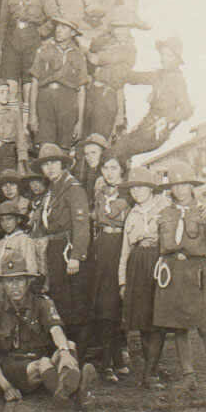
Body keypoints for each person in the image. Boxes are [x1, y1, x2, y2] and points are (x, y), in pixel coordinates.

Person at [0, 255, 94, 409]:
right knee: (43, 364)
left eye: (19, 280)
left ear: (28, 282)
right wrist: (6, 387)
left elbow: (55, 328)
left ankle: (64, 393)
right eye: (9, 281)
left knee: (68, 345)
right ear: (2, 284)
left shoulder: (42, 303)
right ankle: (78, 390)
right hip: (15, 367)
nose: (15, 286)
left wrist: (65, 351)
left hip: (44, 363)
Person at [153, 164, 206, 396]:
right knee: (179, 328)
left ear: (191, 187)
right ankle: (188, 377)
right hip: (173, 274)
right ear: (171, 189)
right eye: (175, 185)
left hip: (198, 274)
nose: (180, 189)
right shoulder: (165, 213)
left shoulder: (205, 212)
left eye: (184, 184)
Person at [35, 142, 92, 353]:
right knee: (59, 300)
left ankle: (80, 354)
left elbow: (81, 224)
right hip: (54, 249)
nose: (49, 168)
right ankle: (64, 352)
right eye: (45, 164)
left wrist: (77, 255)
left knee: (75, 303)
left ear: (62, 165)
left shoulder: (72, 188)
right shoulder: (51, 191)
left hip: (69, 250)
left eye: (54, 163)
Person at [118, 165, 170, 388]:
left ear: (150, 189)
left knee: (158, 319)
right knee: (142, 319)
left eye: (141, 188)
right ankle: (152, 369)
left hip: (159, 264)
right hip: (137, 266)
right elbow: (124, 251)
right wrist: (122, 280)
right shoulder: (131, 215)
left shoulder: (165, 208)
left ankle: (150, 372)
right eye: (133, 189)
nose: (137, 192)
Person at [111, 36, 194, 162]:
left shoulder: (177, 80)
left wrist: (167, 119)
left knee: (119, 150)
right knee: (119, 150)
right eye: (163, 55)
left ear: (177, 60)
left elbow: (187, 109)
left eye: (169, 56)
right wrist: (117, 69)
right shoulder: (159, 75)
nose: (163, 59)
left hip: (156, 131)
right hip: (146, 125)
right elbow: (136, 78)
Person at [0, 0, 56, 124]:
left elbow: (55, 17)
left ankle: (26, 126)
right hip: (12, 41)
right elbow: (3, 21)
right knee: (11, 85)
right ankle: (15, 127)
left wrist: (42, 32)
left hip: (33, 40)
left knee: (29, 86)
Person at [87, 156, 130, 382]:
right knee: (104, 304)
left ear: (122, 170)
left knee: (117, 305)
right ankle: (108, 363)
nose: (109, 172)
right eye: (106, 168)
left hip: (121, 247)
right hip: (102, 249)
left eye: (114, 167)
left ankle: (115, 358)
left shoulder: (130, 193)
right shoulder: (99, 194)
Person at [28, 16, 89, 148]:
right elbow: (34, 83)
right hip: (45, 102)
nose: (58, 30)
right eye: (57, 26)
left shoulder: (79, 56)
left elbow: (81, 90)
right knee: (45, 147)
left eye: (64, 27)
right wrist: (32, 114)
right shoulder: (44, 50)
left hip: (68, 104)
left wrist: (80, 122)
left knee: (64, 147)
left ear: (73, 33)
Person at [82, 23, 138, 142]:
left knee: (98, 137)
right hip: (95, 92)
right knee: (86, 135)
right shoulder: (112, 43)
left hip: (106, 94)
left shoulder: (127, 49)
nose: (120, 32)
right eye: (117, 29)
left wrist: (84, 49)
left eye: (123, 29)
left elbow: (95, 59)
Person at [0, 199, 45, 281]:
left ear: (18, 220)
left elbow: (31, 268)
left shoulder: (24, 240)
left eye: (9, 219)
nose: (6, 223)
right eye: (2, 220)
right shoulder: (0, 243)